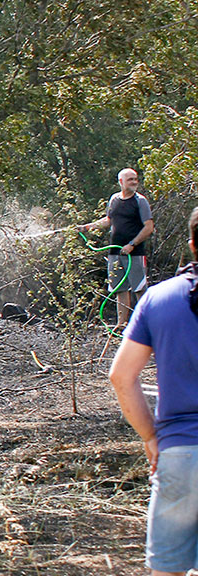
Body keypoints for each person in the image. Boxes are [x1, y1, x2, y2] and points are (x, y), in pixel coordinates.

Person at [110, 206, 198, 575]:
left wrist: (151, 436)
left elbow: (121, 376)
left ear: (193, 244)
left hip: (180, 453)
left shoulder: (158, 299)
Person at [79, 168, 155, 329]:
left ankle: (149, 324)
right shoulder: (114, 199)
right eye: (130, 180)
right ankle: (122, 324)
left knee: (139, 288)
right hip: (115, 252)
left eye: (135, 179)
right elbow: (108, 221)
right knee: (120, 289)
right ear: (121, 182)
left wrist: (132, 245)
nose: (134, 182)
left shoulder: (140, 201)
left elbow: (149, 227)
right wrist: (86, 227)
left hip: (134, 253)